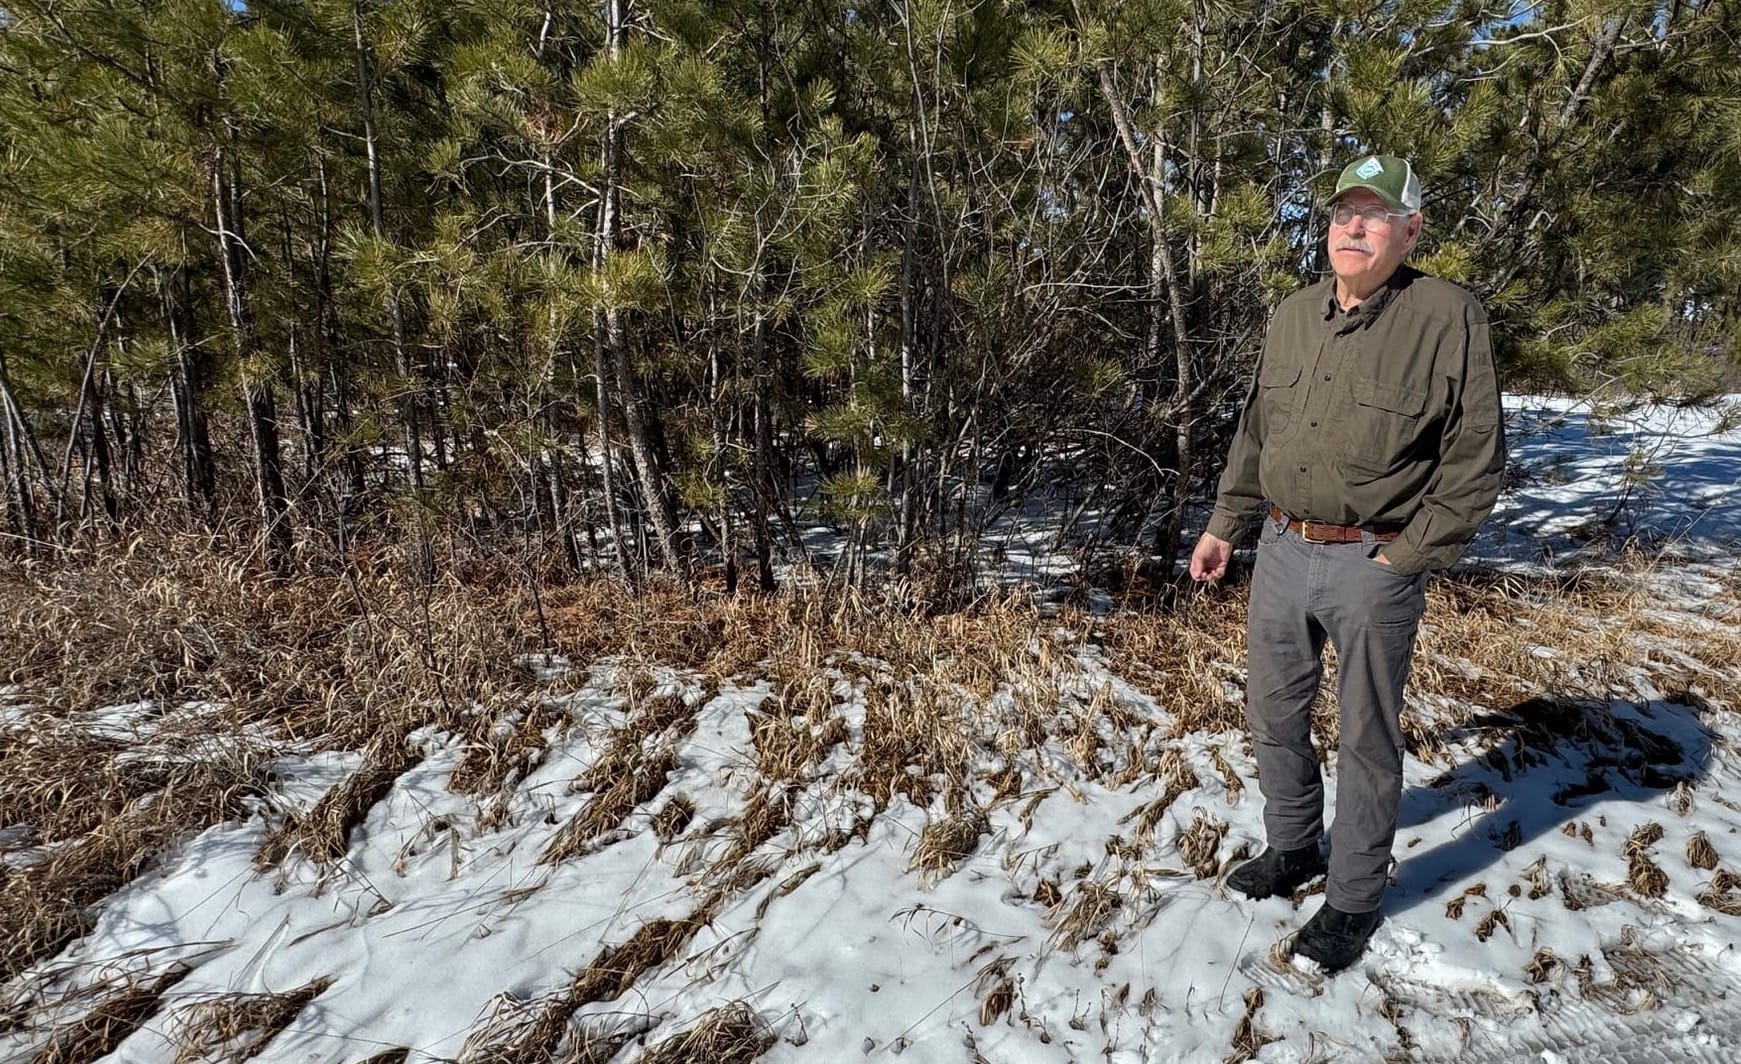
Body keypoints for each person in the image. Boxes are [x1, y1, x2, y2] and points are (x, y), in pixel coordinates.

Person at [1188, 154, 1505, 971]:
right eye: (1340, 215)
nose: (1352, 229)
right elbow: (1257, 431)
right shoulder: (1292, 314)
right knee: (1272, 714)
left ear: (1410, 229)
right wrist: (1227, 523)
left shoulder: (1446, 316)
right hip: (1283, 549)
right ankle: (1293, 845)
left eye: (1373, 215)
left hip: (1374, 563)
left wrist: (1407, 556)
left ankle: (1354, 897)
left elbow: (1473, 456)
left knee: (1366, 738)